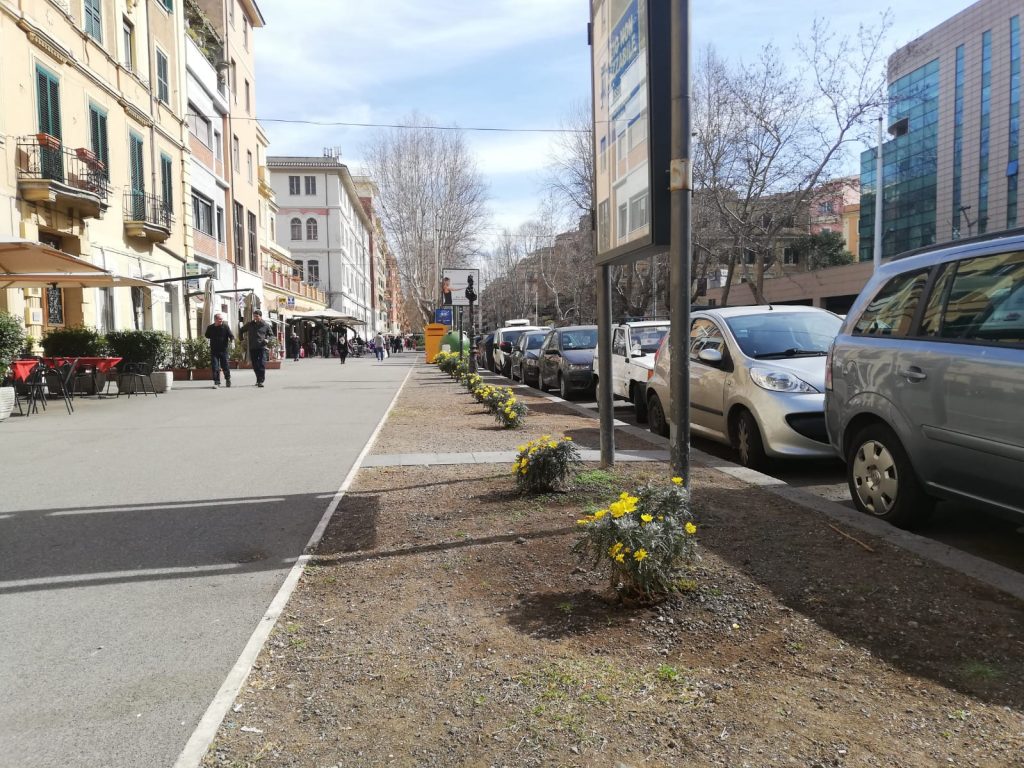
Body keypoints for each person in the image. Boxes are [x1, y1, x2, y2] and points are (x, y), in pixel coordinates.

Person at [240, 309, 274, 387]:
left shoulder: (265, 325)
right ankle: (258, 379)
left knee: (262, 363)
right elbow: (241, 330)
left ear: (260, 316)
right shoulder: (250, 324)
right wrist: (242, 340)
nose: (255, 318)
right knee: (255, 365)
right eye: (254, 316)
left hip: (262, 347)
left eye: (257, 316)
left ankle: (261, 381)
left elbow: (271, 335)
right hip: (252, 347)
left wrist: (267, 339)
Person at [204, 313, 234, 388]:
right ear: (215, 320)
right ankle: (217, 382)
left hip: (223, 350)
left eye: (222, 319)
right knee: (215, 366)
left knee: (225, 366)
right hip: (214, 350)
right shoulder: (210, 327)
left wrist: (232, 341)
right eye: (220, 319)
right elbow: (207, 335)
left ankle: (228, 379)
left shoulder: (225, 327)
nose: (221, 320)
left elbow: (231, 335)